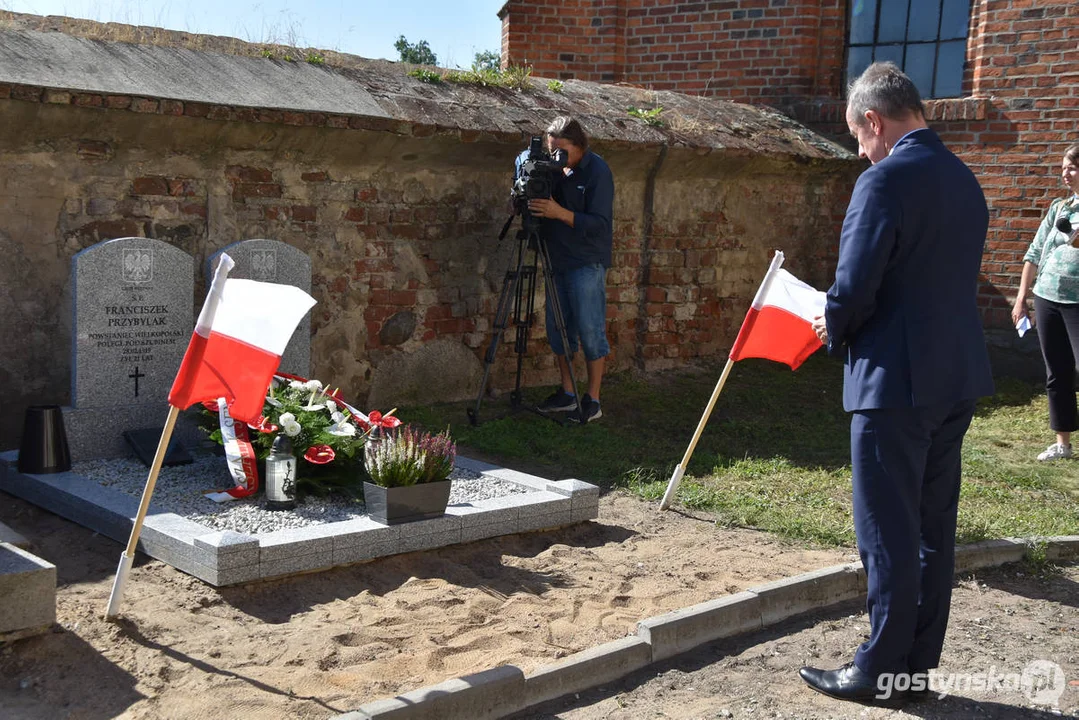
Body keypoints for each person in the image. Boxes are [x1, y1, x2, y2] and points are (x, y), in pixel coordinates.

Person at [803, 62, 995, 706]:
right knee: (932, 530)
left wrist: (830, 328)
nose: (861, 151)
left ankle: (878, 670)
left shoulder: (883, 181)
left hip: (893, 383)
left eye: (859, 138)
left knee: (886, 531)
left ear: (876, 122)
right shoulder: (965, 179)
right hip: (955, 375)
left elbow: (855, 288)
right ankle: (913, 666)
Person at [525, 116, 614, 424]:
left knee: (590, 331)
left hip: (586, 260)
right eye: (552, 150)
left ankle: (593, 399)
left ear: (579, 146)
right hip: (555, 258)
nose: (556, 156)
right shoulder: (550, 167)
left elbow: (600, 225)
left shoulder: (597, 171)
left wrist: (559, 213)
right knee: (557, 330)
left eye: (561, 150)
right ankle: (567, 393)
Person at [1011, 143, 1079, 461]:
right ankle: (1062, 444)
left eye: (1073, 167)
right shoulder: (1059, 208)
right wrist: (1022, 296)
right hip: (1047, 297)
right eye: (1065, 167)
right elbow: (1035, 252)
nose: (1066, 172)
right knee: (1057, 371)